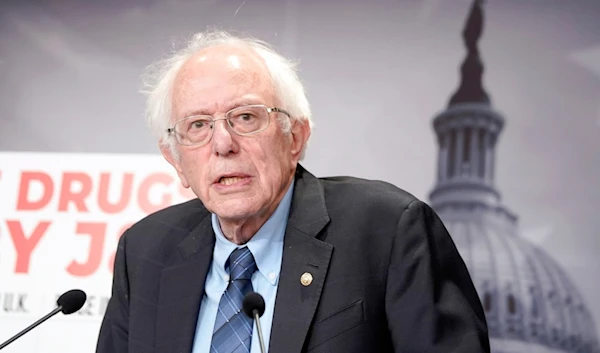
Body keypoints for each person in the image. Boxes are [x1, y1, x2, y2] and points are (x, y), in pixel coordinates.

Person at [95, 29, 490, 353]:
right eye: (197, 125)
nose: (222, 143)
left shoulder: (387, 230)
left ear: (295, 137)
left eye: (246, 117)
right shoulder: (146, 252)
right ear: (176, 159)